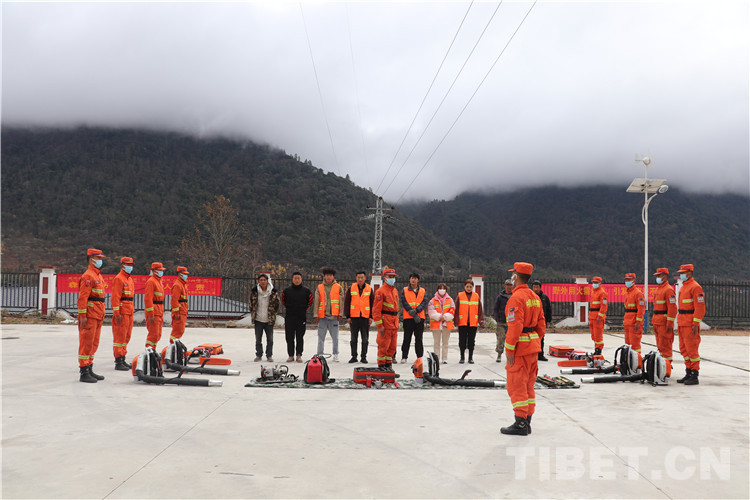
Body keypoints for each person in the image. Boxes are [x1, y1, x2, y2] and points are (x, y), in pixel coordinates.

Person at [500, 262, 546, 436]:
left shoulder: (516, 298)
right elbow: (541, 325)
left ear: (516, 276)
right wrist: (534, 341)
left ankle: (520, 423)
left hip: (520, 350)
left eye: (513, 274)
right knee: (529, 386)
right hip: (532, 348)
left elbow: (515, 327)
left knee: (517, 385)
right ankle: (527, 421)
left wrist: (509, 350)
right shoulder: (535, 297)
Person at [77, 248, 108, 383]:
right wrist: (82, 315)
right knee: (86, 343)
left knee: (94, 343)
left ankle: (89, 367)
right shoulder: (88, 276)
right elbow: (83, 297)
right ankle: (84, 371)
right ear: (91, 259)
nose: (100, 260)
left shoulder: (98, 275)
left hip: (98, 314)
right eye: (98, 258)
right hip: (90, 315)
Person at [675, 264, 705, 385]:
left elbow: (700, 307)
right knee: (684, 349)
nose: (681, 275)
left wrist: (696, 323)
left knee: (692, 349)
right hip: (682, 321)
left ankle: (694, 374)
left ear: (689, 273)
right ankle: (688, 372)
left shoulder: (695, 287)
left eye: (683, 273)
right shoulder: (683, 287)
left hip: (690, 323)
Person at [281, 272, 313, 363]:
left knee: (300, 337)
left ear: (301, 279)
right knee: (289, 337)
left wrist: (303, 309)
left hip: (301, 317)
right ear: (292, 279)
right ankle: (290, 355)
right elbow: (283, 301)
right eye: (295, 278)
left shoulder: (306, 291)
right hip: (289, 317)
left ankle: (299, 355)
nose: (297, 280)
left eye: (298, 278)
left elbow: (310, 302)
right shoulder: (286, 291)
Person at [111, 256, 135, 371]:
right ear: (122, 266)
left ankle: (123, 358)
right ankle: (118, 361)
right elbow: (115, 297)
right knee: (119, 337)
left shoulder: (129, 279)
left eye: (131, 265)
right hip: (122, 312)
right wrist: (117, 313)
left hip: (129, 311)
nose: (130, 267)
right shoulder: (119, 279)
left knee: (126, 336)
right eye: (128, 265)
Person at [651, 268, 677, 377]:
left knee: (666, 347)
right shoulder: (658, 289)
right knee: (660, 347)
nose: (657, 278)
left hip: (664, 323)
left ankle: (666, 369)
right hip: (657, 321)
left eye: (659, 275)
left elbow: (672, 308)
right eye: (657, 276)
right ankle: (661, 367)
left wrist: (670, 323)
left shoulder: (668, 290)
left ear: (665, 276)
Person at [249, 274, 280, 362]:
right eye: (261, 280)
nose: (263, 282)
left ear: (267, 281)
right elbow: (250, 304)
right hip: (258, 319)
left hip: (269, 319)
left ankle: (269, 355)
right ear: (258, 281)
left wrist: (273, 314)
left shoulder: (273, 292)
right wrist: (253, 313)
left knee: (270, 339)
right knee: (258, 339)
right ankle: (259, 355)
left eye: (264, 280)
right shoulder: (254, 291)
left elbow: (277, 304)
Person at [344, 271, 374, 363]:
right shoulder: (351, 288)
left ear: (365, 278)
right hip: (354, 317)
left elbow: (372, 304)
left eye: (362, 277)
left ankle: (363, 357)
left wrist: (371, 317)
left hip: (365, 317)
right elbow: (347, 303)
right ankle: (354, 356)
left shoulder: (369, 289)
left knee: (365, 339)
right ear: (356, 278)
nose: (360, 279)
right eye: (358, 277)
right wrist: (348, 316)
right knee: (353, 339)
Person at [373, 267, 400, 369]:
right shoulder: (380, 291)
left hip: (394, 323)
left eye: (393, 276)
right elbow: (376, 310)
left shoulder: (395, 291)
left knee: (392, 348)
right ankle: (381, 366)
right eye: (390, 276)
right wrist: (380, 325)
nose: (392, 278)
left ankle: (388, 366)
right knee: (383, 346)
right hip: (386, 323)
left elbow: (396, 308)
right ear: (384, 278)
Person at [399, 272, 429, 363]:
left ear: (418, 280)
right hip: (408, 318)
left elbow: (424, 302)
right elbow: (404, 301)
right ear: (409, 279)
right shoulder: (404, 290)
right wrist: (411, 312)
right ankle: (404, 356)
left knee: (419, 338)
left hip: (419, 318)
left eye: (415, 278)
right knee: (407, 338)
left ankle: (420, 357)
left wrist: (416, 311)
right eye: (412, 278)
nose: (413, 280)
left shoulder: (423, 291)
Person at [314, 268, 342, 361]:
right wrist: (316, 315)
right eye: (327, 275)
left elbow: (341, 301)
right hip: (323, 317)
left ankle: (336, 354)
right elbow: (316, 301)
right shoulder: (320, 287)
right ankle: (320, 354)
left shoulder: (338, 287)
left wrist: (341, 313)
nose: (329, 277)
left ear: (333, 277)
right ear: (324, 276)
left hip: (334, 317)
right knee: (321, 337)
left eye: (330, 275)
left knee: (335, 338)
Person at [455, 279, 485, 364]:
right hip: (462, 322)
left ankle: (470, 358)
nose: (469, 288)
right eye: (467, 287)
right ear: (464, 287)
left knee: (471, 341)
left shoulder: (476, 296)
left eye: (470, 287)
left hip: (473, 323)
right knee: (462, 341)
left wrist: (481, 320)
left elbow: (480, 309)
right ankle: (462, 357)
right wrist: (456, 320)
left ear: (473, 287)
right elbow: (456, 309)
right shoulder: (460, 295)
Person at [427, 283, 454, 364]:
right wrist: (439, 317)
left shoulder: (450, 300)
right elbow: (431, 311)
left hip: (446, 324)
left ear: (446, 290)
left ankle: (444, 358)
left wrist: (445, 317)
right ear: (437, 290)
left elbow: (452, 310)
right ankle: (437, 358)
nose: (442, 290)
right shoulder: (432, 300)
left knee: (445, 342)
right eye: (440, 288)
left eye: (443, 288)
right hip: (436, 324)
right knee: (436, 343)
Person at [623, 272, 645, 364]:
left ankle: (637, 364)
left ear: (634, 281)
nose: (627, 281)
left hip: (634, 323)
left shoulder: (638, 293)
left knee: (635, 345)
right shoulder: (628, 293)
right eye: (626, 280)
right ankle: (629, 363)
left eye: (629, 280)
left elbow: (641, 309)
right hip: (627, 322)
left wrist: (638, 322)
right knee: (628, 345)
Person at [144, 262, 166, 350]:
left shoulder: (159, 281)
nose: (161, 272)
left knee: (158, 334)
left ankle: (153, 349)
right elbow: (148, 299)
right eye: (160, 270)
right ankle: (149, 350)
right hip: (154, 311)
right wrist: (150, 313)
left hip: (159, 310)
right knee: (153, 334)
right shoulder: (151, 281)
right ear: (155, 271)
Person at [492, 279, 513, 362]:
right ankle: (499, 354)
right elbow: (495, 308)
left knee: (511, 340)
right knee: (500, 338)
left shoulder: (515, 296)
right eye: (507, 285)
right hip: (501, 322)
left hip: (512, 322)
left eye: (510, 285)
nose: (509, 287)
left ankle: (510, 355)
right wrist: (497, 318)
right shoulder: (500, 297)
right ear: (505, 286)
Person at [531, 280, 551, 361]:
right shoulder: (529, 296)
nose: (535, 289)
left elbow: (549, 309)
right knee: (531, 338)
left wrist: (548, 320)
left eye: (537, 287)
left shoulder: (544, 297)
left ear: (540, 288)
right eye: (534, 287)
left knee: (541, 338)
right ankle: (532, 355)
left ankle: (540, 355)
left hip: (542, 321)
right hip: (532, 321)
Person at [588, 276, 608, 355]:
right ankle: (596, 349)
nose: (594, 284)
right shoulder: (593, 292)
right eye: (593, 282)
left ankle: (598, 351)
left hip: (597, 317)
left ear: (600, 283)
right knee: (594, 335)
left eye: (596, 282)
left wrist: (600, 316)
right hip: (592, 316)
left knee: (598, 335)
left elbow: (604, 306)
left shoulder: (602, 293)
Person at [169, 266, 190, 344]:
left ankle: (175, 344)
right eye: (184, 274)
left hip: (183, 310)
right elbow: (174, 300)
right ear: (179, 274)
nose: (186, 275)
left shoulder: (183, 284)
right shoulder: (177, 285)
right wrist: (176, 312)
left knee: (180, 330)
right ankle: (173, 345)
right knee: (177, 330)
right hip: (180, 312)